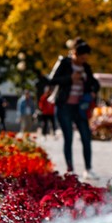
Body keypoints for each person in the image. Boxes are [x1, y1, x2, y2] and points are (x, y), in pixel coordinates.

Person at [45, 39, 99, 179]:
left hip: (80, 107)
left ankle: (88, 169)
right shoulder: (64, 63)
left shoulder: (86, 67)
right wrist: (70, 78)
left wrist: (93, 91)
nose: (83, 61)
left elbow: (95, 83)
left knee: (86, 137)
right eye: (81, 58)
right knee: (68, 138)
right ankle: (70, 170)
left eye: (85, 58)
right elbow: (52, 80)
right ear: (74, 53)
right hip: (64, 106)